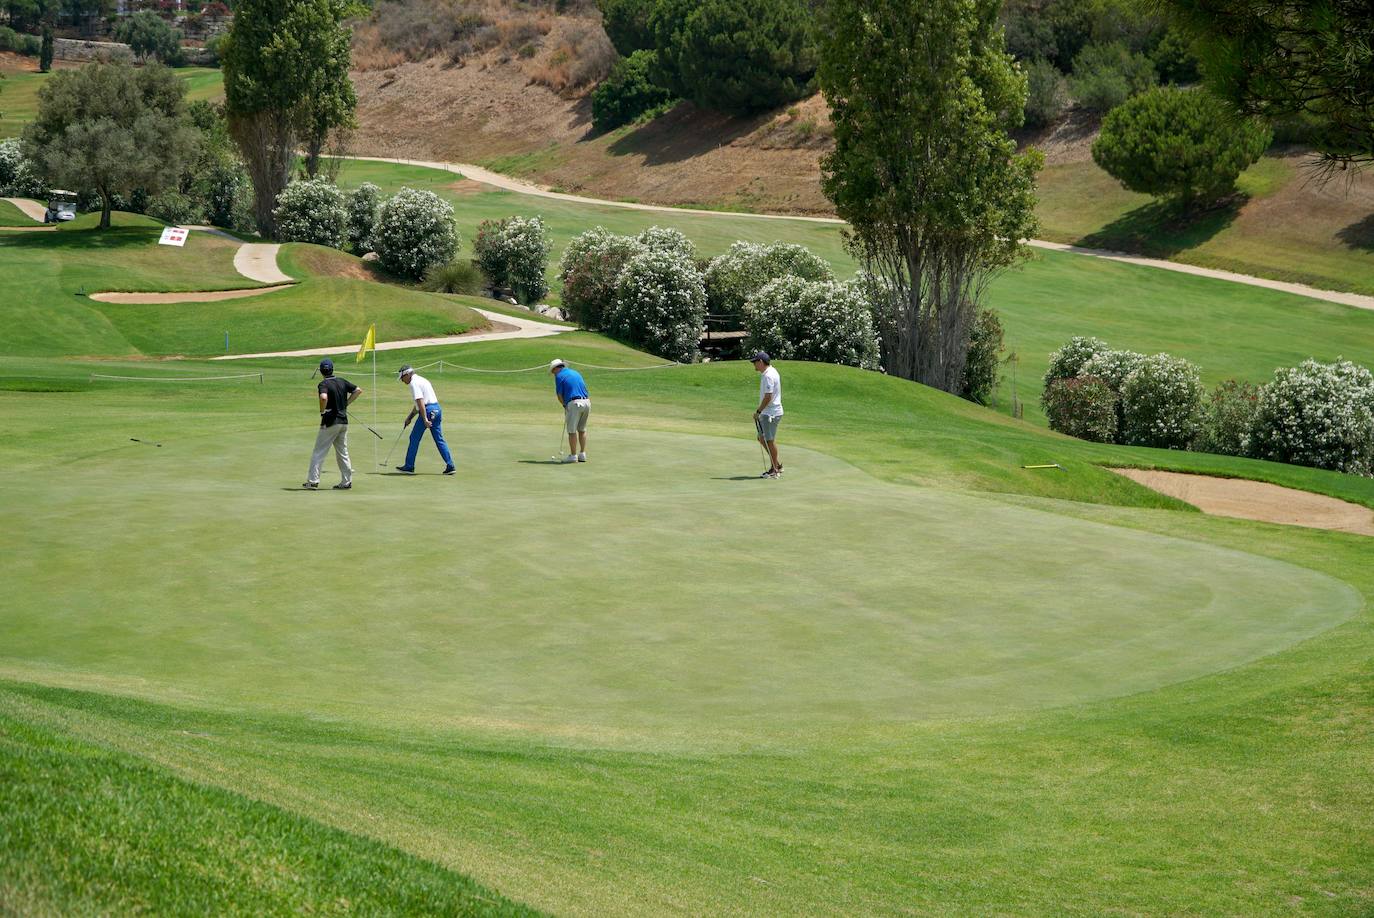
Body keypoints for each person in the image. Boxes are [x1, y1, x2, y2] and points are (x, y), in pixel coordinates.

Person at [304, 357, 361, 490]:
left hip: (330, 422)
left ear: (322, 372)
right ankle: (346, 482)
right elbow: (358, 390)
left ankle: (313, 481)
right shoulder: (341, 381)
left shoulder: (323, 384)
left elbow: (323, 397)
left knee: (319, 452)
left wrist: (322, 410)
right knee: (343, 452)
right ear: (332, 369)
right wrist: (346, 404)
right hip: (343, 422)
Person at [396, 365, 456, 475]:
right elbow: (418, 405)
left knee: (414, 437)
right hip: (437, 409)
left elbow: (420, 403)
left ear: (407, 374)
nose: (402, 380)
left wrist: (425, 419)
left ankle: (409, 466)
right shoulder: (422, 380)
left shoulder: (413, 383)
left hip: (428, 411)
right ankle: (450, 465)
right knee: (439, 439)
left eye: (402, 378)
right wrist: (409, 418)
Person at [550, 358, 590, 463]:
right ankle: (582, 454)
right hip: (586, 402)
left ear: (556, 368)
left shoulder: (559, 376)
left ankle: (573, 456)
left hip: (574, 403)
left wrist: (565, 405)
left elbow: (559, 395)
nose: (553, 374)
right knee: (582, 429)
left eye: (553, 371)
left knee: (572, 431)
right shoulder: (575, 372)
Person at [751, 351, 783, 478]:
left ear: (761, 362)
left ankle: (775, 470)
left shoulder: (768, 375)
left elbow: (768, 396)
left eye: (755, 362)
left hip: (770, 413)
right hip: (770, 412)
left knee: (769, 440)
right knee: (762, 438)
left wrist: (758, 411)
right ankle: (777, 465)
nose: (754, 365)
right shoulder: (771, 371)